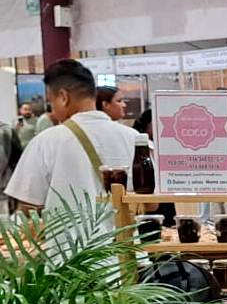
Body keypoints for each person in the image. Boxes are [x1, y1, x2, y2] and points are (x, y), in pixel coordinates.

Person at [5, 59, 136, 224]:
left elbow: (29, 207)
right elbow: (152, 204)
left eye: (51, 101)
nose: (52, 109)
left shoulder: (46, 142)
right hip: (129, 239)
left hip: (71, 241)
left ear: (63, 97)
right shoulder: (134, 138)